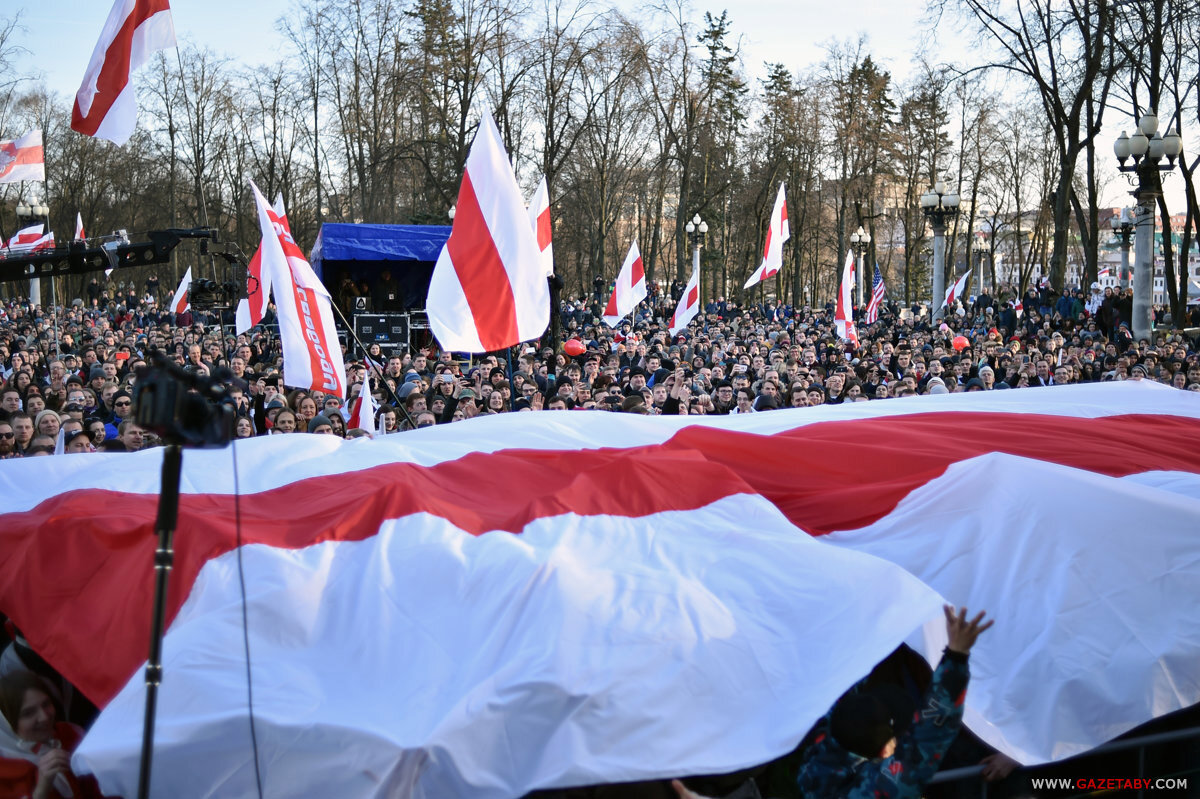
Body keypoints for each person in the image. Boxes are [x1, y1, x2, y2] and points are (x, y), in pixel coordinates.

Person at [795, 606, 994, 799]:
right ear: (886, 750)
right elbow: (929, 737)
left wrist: (882, 614)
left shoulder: (820, 752)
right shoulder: (882, 789)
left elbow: (846, 680)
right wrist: (957, 655)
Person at [0, 671, 105, 799]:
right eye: (28, 713)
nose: (44, 717)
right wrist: (41, 791)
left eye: (46, 704)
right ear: (6, 724)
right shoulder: (4, 769)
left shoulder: (70, 733)